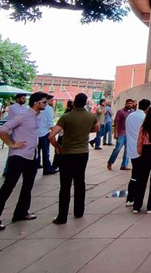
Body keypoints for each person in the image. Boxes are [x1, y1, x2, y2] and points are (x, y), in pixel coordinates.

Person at [0, 92, 47, 231]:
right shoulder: (23, 116)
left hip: (32, 155)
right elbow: (3, 130)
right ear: (36, 103)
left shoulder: (38, 116)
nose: (46, 104)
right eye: (44, 102)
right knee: (8, 187)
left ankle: (21, 212)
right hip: (19, 156)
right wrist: (12, 144)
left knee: (28, 186)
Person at [49, 93, 99, 224]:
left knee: (65, 185)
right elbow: (97, 128)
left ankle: (62, 216)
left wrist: (57, 146)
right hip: (82, 153)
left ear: (74, 102)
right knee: (80, 181)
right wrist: (85, 130)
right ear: (86, 103)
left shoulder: (66, 117)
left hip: (67, 153)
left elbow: (51, 135)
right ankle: (79, 211)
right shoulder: (91, 116)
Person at [125, 98, 150, 207]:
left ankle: (130, 198)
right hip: (142, 149)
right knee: (141, 175)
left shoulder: (130, 116)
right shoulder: (145, 118)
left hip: (132, 148)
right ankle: (136, 200)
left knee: (134, 173)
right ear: (147, 108)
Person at [107, 98, 134, 171]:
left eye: (131, 103)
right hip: (121, 133)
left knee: (127, 150)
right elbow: (116, 122)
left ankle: (124, 165)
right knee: (117, 149)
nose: (129, 105)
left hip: (130, 134)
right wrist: (116, 133)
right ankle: (110, 162)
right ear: (125, 104)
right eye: (128, 103)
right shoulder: (120, 112)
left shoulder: (133, 112)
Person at [37, 94, 57, 174]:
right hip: (44, 132)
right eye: (51, 100)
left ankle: (36, 164)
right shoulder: (48, 109)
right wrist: (54, 131)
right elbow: (50, 123)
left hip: (36, 132)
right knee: (45, 152)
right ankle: (47, 168)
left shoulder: (35, 108)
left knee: (36, 151)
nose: (52, 102)